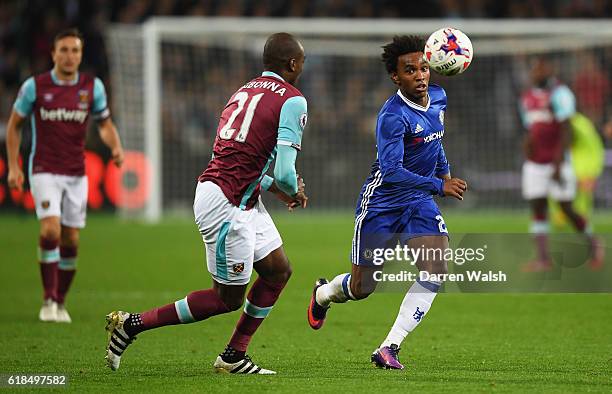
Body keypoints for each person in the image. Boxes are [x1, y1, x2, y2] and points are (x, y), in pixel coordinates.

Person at [105, 32, 309, 375]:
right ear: (292, 64)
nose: (302, 68)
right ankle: (131, 325)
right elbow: (286, 171)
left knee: (277, 271)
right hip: (227, 203)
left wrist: (276, 190)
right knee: (226, 299)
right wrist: (293, 189)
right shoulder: (293, 99)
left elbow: (240, 159)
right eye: (301, 62)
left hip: (236, 194)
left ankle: (233, 356)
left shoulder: (243, 92)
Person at [307, 35, 467, 370]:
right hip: (381, 206)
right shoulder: (392, 117)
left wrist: (446, 174)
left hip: (419, 203)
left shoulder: (438, 97)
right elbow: (392, 172)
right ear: (396, 77)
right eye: (410, 70)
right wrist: (440, 185)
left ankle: (389, 347)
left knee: (436, 267)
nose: (420, 75)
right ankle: (323, 293)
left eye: (424, 67)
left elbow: (437, 142)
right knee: (363, 287)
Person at [5, 28, 124, 323]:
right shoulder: (36, 86)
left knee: (71, 239)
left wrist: (116, 146)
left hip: (76, 173)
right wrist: (14, 166)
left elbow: (104, 123)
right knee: (50, 231)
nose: (70, 56)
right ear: (53, 53)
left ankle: (60, 301)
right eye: (64, 50)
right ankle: (48, 299)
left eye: (75, 51)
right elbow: (14, 125)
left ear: (81, 55)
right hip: (44, 169)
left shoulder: (91, 87)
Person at [519, 57, 604, 272]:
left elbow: (566, 129)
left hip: (557, 162)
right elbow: (532, 127)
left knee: (567, 209)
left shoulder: (561, 94)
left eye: (541, 68)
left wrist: (558, 162)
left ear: (549, 70)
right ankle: (542, 258)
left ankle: (594, 244)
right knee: (538, 207)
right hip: (534, 163)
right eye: (534, 68)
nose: (537, 72)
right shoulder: (527, 97)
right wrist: (527, 143)